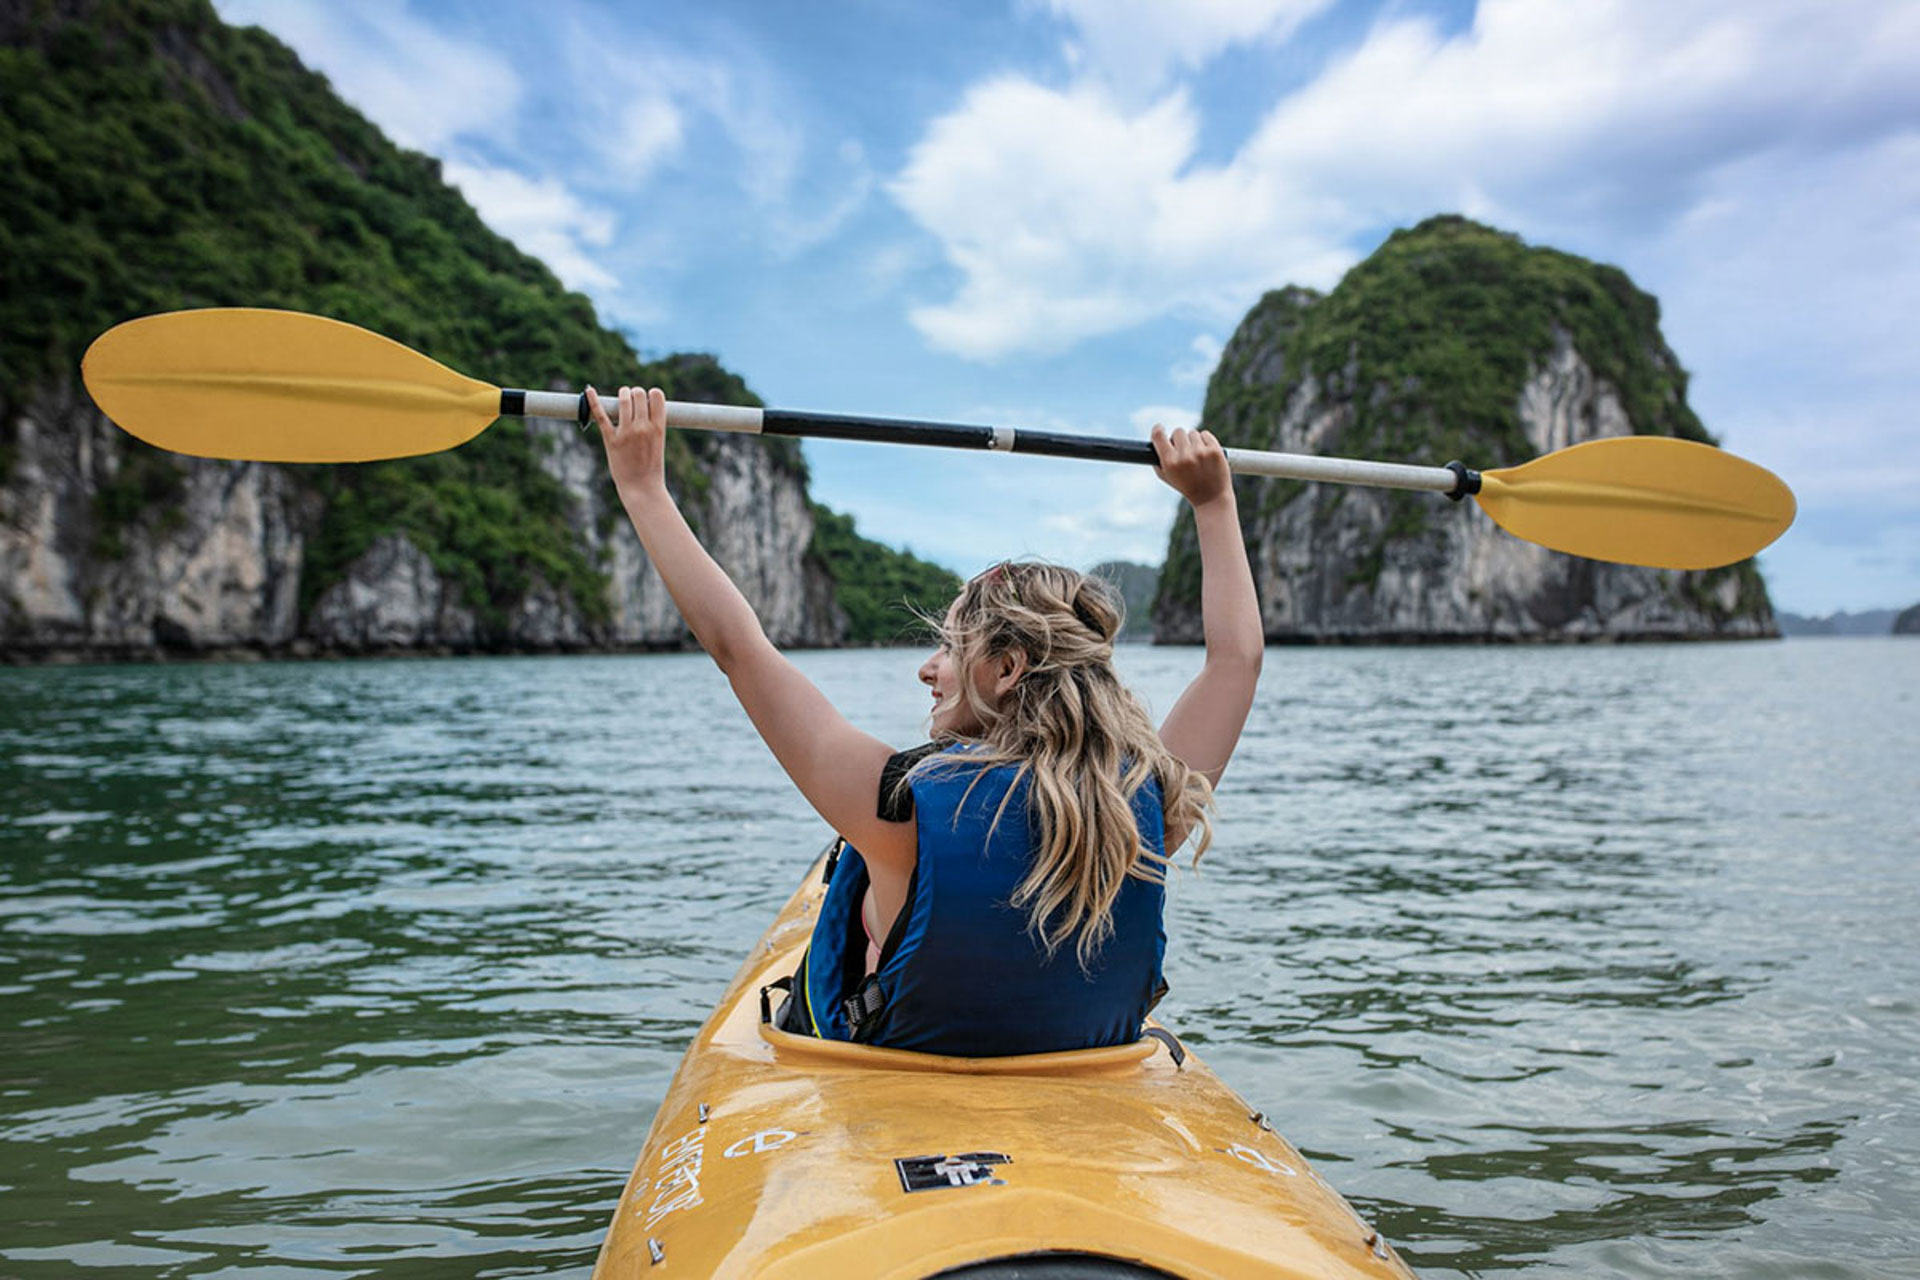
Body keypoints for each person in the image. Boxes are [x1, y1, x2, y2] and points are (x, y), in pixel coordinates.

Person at [591, 385, 1262, 1056]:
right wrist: (1213, 502)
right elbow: (1236, 662)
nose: (929, 668)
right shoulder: (1149, 806)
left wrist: (644, 487)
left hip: (895, 1097)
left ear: (1006, 669)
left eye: (950, 646)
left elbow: (738, 648)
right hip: (1083, 1091)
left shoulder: (895, 811)